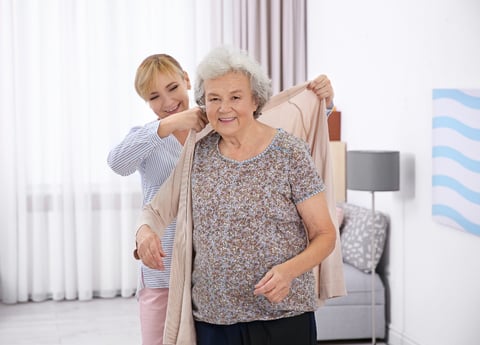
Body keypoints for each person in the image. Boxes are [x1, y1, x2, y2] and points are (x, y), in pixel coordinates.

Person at [108, 53, 337, 345]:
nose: (224, 107)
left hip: (282, 314)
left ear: (255, 101)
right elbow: (150, 203)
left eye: (236, 97)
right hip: (209, 315)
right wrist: (143, 231)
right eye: (214, 99)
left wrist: (324, 104)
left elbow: (325, 234)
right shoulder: (197, 150)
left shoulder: (289, 151)